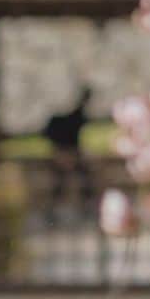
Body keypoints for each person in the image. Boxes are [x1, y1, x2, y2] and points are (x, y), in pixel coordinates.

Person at [43, 87, 93, 222]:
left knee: (83, 181)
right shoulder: (71, 119)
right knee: (60, 185)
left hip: (68, 153)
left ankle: (87, 208)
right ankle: (52, 213)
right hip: (65, 153)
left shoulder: (76, 117)